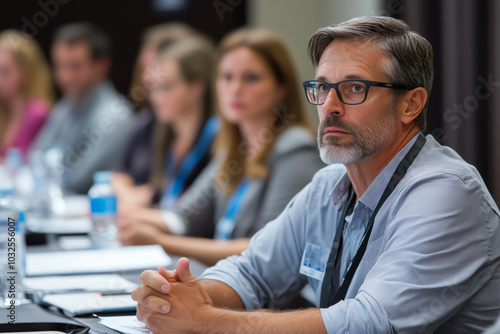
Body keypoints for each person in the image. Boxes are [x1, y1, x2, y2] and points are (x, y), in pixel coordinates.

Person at [131, 16, 500, 333]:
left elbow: (368, 324)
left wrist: (207, 321)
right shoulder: (329, 185)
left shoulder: (447, 192)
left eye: (355, 88)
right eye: (323, 87)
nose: (330, 106)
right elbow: (252, 273)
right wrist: (178, 297)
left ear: (411, 104)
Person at [119, 29, 324, 266]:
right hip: (226, 283)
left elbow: (265, 249)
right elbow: (184, 218)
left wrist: (160, 241)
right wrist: (123, 217)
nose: (235, 89)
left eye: (251, 78)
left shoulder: (295, 148)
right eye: (226, 77)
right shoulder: (234, 148)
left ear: (282, 87)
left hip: (268, 299)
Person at [30, 22, 133, 194]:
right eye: (59, 65)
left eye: (75, 66)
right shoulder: (65, 107)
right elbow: (34, 159)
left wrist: (47, 172)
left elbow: (76, 181)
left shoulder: (114, 117)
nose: (65, 77)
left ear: (101, 66)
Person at [112, 23, 200, 205]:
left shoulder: (208, 130)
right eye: (144, 67)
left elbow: (174, 191)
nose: (147, 78)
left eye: (154, 67)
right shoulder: (147, 121)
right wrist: (129, 196)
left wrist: (145, 197)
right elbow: (119, 174)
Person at [0, 30, 54, 160]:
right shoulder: (4, 112)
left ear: (26, 71)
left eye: (5, 71)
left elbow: (37, 165)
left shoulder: (39, 113)